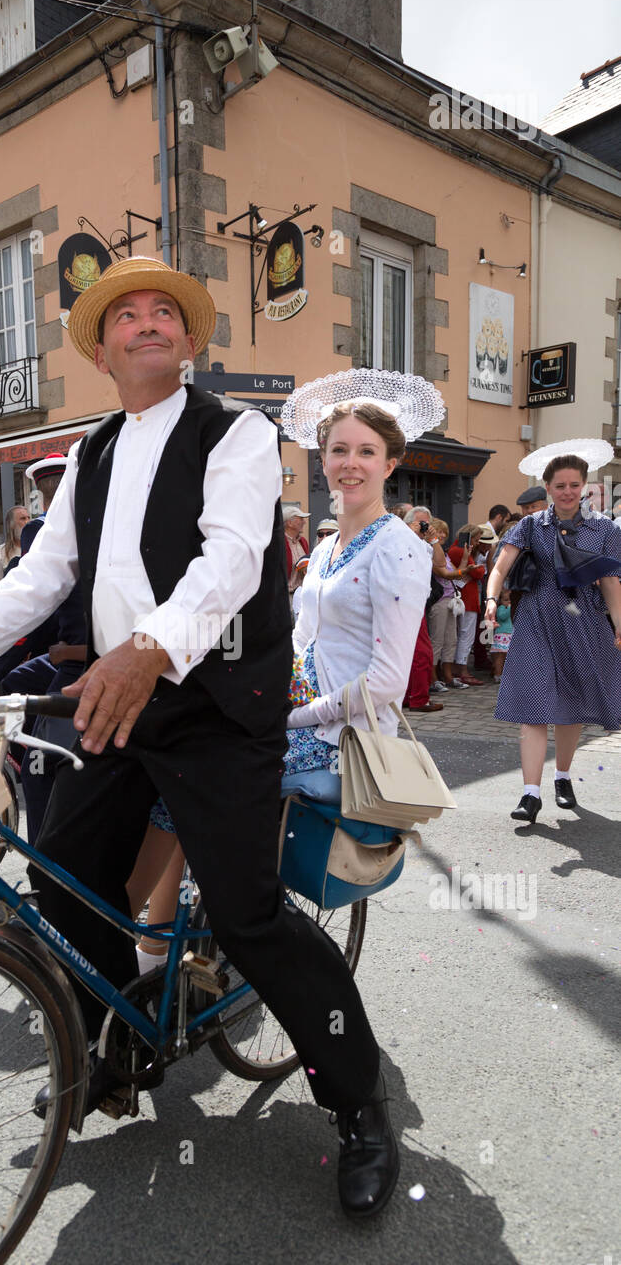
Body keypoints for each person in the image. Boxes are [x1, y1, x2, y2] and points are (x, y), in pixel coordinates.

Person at [0, 255, 399, 1218]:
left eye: (165, 314)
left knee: (246, 915)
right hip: (121, 696)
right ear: (101, 347)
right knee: (60, 883)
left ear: (188, 342)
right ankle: (124, 1039)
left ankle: (360, 1102)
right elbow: (38, 576)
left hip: (218, 705)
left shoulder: (234, 433)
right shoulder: (93, 450)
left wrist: (148, 648)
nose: (147, 325)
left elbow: (233, 559)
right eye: (126, 316)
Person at [281, 368, 440, 1216]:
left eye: (364, 452)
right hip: (301, 721)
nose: (347, 463)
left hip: (342, 742)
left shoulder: (399, 549)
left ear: (390, 462)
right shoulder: (327, 548)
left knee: (209, 796)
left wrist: (293, 717)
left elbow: (384, 683)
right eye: (337, 449)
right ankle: (167, 955)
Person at [485, 445, 621, 821]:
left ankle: (562, 777)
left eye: (574, 484)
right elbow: (501, 566)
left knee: (571, 706)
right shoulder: (529, 525)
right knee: (533, 704)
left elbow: (610, 582)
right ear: (547, 487)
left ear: (584, 486)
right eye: (559, 485)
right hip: (537, 617)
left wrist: (620, 623)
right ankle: (530, 793)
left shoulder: (605, 529)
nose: (567, 491)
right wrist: (492, 599)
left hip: (584, 619)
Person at [402, 507, 442, 712]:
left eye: (427, 522)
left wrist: (433, 539)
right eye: (420, 522)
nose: (424, 526)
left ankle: (410, 697)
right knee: (421, 654)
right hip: (406, 603)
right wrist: (411, 532)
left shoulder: (424, 545)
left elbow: (441, 563)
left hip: (418, 602)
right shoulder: (401, 540)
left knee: (414, 653)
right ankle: (418, 698)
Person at [426, 518, 466, 691]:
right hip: (439, 601)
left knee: (451, 640)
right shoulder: (429, 551)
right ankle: (433, 678)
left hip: (451, 600)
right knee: (437, 640)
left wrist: (465, 558)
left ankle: (448, 676)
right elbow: (446, 574)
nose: (442, 535)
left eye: (444, 532)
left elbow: (457, 575)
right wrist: (465, 570)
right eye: (439, 531)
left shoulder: (444, 553)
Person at [448, 525, 487, 686]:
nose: (478, 542)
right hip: (467, 598)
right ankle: (461, 669)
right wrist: (480, 569)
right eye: (477, 539)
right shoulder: (459, 551)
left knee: (461, 634)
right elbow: (478, 572)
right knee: (466, 635)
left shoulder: (454, 549)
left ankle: (458, 667)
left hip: (465, 596)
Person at [0, 505, 31, 586]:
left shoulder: (37, 549)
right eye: (23, 519)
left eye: (28, 518)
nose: (28, 522)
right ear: (11, 524)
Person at [283, 506, 310, 594]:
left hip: (301, 595)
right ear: (290, 523)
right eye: (301, 519)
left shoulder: (303, 542)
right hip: (286, 596)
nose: (304, 522)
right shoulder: (279, 543)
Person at [490, 587, 513, 680]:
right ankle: (498, 674)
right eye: (506, 600)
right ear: (500, 601)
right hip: (502, 634)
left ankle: (500, 673)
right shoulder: (501, 608)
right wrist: (509, 608)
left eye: (510, 600)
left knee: (504, 657)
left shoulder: (506, 607)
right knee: (500, 657)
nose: (508, 602)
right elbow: (502, 616)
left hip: (507, 635)